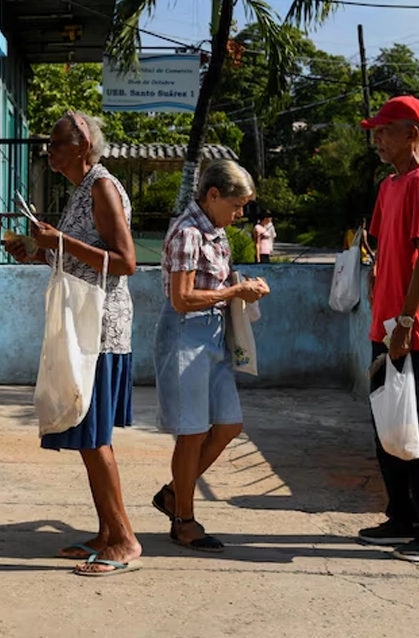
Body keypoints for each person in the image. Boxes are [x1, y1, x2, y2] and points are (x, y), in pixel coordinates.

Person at [5, 110, 143, 576]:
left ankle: (124, 539)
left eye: (56, 142)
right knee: (89, 436)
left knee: (94, 437)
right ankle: (107, 532)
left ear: (82, 146)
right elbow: (81, 264)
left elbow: (125, 262)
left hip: (100, 330)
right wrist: (40, 250)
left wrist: (58, 240)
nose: (49, 150)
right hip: (86, 323)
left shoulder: (102, 186)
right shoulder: (83, 190)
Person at [356, 96, 419, 562]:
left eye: (385, 130)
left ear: (412, 134)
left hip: (417, 335)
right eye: (375, 131)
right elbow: (380, 251)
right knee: (387, 421)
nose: (376, 139)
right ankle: (401, 518)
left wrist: (405, 320)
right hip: (386, 327)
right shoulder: (389, 186)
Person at [153, 160, 270, 552]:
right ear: (213, 195)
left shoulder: (214, 232)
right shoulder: (188, 232)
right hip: (187, 334)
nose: (239, 215)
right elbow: (181, 298)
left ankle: (174, 494)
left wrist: (240, 287)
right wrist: (235, 293)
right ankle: (183, 519)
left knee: (228, 425)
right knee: (192, 433)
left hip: (213, 335)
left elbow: (214, 283)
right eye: (236, 206)